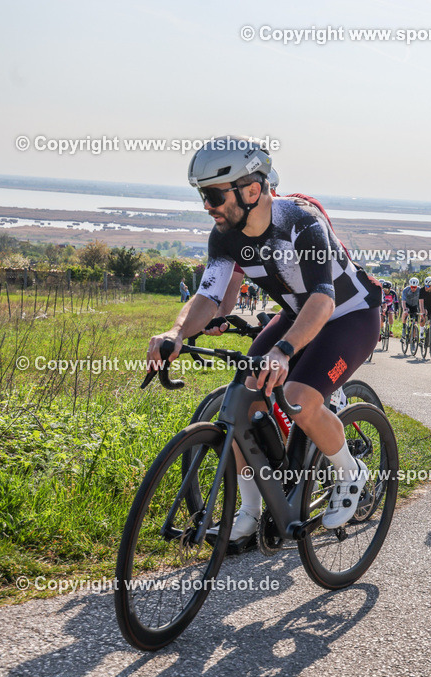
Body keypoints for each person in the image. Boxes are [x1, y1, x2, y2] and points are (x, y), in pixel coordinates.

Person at [147, 135, 382, 547]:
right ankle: (250, 512)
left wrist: (284, 350)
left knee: (298, 395)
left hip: (349, 315)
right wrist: (176, 332)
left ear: (251, 190)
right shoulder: (224, 237)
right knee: (242, 396)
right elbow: (208, 295)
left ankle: (350, 472)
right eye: (203, 195)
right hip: (298, 314)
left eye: (214, 195)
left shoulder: (301, 221)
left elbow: (323, 300)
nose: (208, 206)